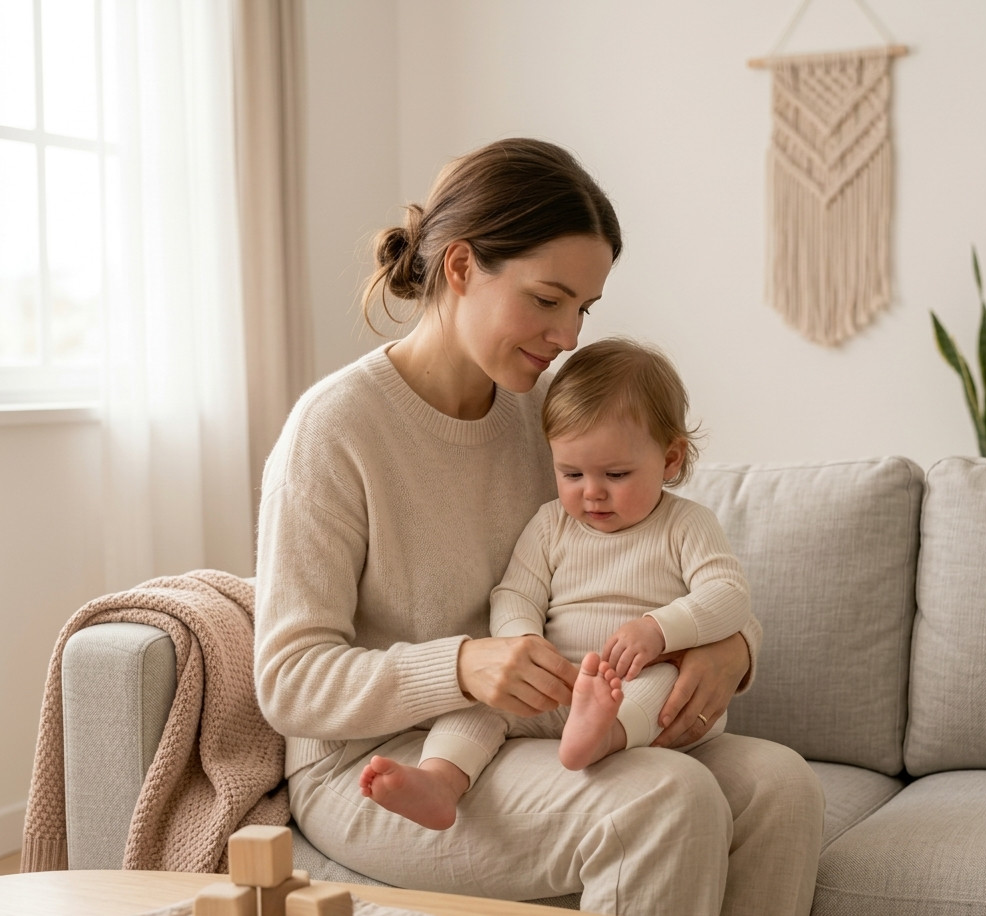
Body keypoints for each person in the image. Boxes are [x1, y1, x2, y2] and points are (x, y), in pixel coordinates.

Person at [254, 137, 824, 916]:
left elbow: (661, 553)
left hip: (542, 721)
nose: (569, 338)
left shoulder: (549, 413)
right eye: (548, 300)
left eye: (583, 309)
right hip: (386, 763)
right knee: (663, 799)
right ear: (459, 268)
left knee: (782, 787)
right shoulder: (335, 430)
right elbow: (288, 681)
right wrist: (461, 667)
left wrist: (732, 647)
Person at [359, 337, 752, 832]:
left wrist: (659, 629)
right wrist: (523, 641)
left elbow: (729, 594)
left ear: (670, 460)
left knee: (663, 687)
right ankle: (440, 779)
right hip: (562, 682)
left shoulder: (685, 525)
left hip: (645, 684)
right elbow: (516, 594)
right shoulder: (551, 525)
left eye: (616, 473)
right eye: (570, 473)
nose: (592, 492)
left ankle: (603, 737)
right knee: (486, 703)